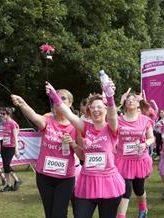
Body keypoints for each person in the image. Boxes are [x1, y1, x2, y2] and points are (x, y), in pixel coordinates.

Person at [45, 80, 125, 218]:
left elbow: (112, 116)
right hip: (87, 183)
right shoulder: (85, 127)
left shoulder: (111, 128)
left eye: (99, 107)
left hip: (108, 184)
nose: (96, 110)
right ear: (89, 111)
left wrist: (110, 96)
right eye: (92, 108)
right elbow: (69, 115)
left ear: (105, 109)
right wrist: (54, 96)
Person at [11, 89, 81, 218]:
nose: (58, 101)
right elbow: (33, 115)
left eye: (63, 98)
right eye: (56, 99)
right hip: (44, 177)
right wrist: (22, 103)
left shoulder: (76, 125)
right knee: (49, 214)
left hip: (65, 179)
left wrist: (73, 144)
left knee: (59, 213)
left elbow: (82, 155)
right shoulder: (47, 120)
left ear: (70, 103)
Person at [115, 93, 155, 218]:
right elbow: (107, 116)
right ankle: (121, 216)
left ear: (138, 103)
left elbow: (151, 137)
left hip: (139, 160)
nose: (130, 101)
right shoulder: (118, 119)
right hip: (123, 160)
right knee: (125, 189)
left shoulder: (144, 120)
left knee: (139, 190)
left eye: (133, 100)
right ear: (125, 103)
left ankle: (143, 208)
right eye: (128, 100)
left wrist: (145, 144)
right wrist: (119, 104)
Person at [0, 107, 22, 192]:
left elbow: (16, 137)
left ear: (8, 114)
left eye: (4, 114)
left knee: (7, 165)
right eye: (2, 113)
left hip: (11, 147)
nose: (2, 115)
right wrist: (0, 147)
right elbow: (4, 136)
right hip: (4, 146)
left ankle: (17, 180)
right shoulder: (4, 123)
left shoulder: (13, 123)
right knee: (5, 166)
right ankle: (8, 185)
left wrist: (16, 149)